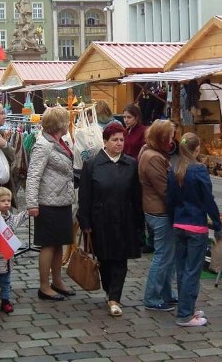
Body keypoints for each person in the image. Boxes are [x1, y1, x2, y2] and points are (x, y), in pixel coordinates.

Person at [78, 122, 143, 316]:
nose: (119, 143)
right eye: (114, 140)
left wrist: (140, 222)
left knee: (120, 260)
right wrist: (85, 222)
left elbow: (136, 195)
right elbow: (85, 196)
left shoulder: (131, 163)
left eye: (122, 140)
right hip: (101, 219)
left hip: (124, 218)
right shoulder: (92, 165)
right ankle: (109, 291)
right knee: (105, 259)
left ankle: (115, 298)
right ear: (105, 142)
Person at [167, 132, 222, 327]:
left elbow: (170, 200)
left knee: (182, 270)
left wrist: (172, 220)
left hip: (179, 224)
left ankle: (186, 307)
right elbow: (208, 200)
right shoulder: (198, 170)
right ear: (197, 149)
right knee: (192, 271)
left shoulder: (175, 169)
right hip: (195, 225)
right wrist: (217, 225)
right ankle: (185, 314)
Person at [25, 106, 76, 301]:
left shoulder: (59, 141)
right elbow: (33, 176)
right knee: (48, 245)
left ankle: (57, 281)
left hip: (62, 200)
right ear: (59, 123)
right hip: (48, 202)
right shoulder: (43, 145)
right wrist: (32, 204)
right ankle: (44, 286)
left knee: (59, 243)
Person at [139, 119, 177, 311]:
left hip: (155, 209)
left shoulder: (147, 151)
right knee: (162, 256)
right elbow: (164, 189)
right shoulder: (154, 157)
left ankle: (166, 294)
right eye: (170, 136)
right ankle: (153, 297)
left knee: (167, 256)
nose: (172, 140)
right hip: (159, 211)